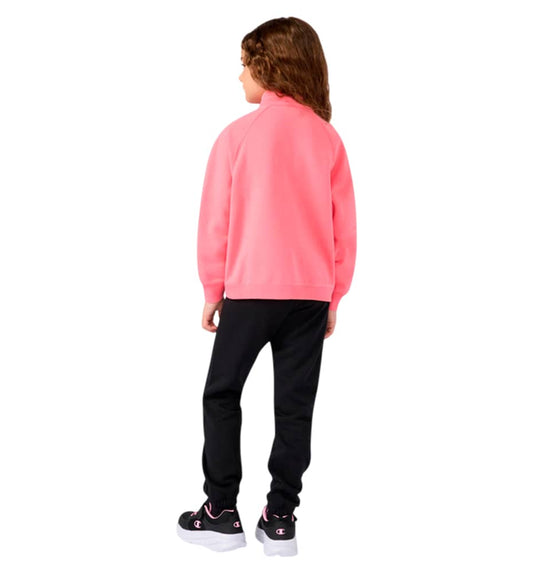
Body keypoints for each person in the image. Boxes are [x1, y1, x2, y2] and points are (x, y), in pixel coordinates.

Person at [176, 16, 357, 557]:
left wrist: (213, 288)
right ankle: (280, 518)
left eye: (244, 65)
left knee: (222, 393)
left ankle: (220, 510)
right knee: (295, 405)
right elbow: (343, 226)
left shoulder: (237, 136)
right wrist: (334, 295)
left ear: (269, 67)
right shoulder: (327, 138)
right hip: (309, 295)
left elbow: (216, 220)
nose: (239, 76)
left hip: (250, 291)